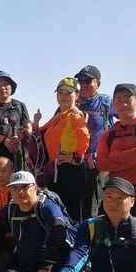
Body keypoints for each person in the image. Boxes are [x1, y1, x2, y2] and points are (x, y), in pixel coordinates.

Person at [96, 84, 136, 226]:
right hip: (117, 196)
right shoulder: (108, 135)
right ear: (113, 104)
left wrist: (114, 155)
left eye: (128, 98)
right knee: (111, 241)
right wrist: (133, 157)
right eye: (118, 99)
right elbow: (101, 163)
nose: (123, 103)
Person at [32, 77, 90, 222]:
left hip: (71, 170)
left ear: (77, 95)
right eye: (60, 93)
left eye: (68, 93)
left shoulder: (75, 115)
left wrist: (75, 157)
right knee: (59, 210)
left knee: (71, 212)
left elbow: (84, 137)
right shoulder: (59, 116)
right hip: (58, 170)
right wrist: (36, 123)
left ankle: (74, 242)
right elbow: (42, 132)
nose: (63, 96)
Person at [74, 65, 116, 219]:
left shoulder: (106, 102)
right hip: (74, 161)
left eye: (87, 80)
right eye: (80, 80)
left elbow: (127, 117)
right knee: (75, 203)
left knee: (94, 203)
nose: (83, 84)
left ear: (98, 83)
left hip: (98, 163)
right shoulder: (73, 101)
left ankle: (93, 238)